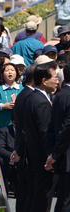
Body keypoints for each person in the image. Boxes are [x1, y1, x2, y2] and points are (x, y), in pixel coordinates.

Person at [17, 61, 58, 212]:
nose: (57, 80)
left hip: (31, 156)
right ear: (44, 80)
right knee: (43, 199)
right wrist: (51, 157)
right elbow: (45, 133)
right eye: (54, 77)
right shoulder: (41, 102)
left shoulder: (31, 97)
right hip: (41, 160)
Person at [45, 64, 70, 211]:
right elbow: (67, 128)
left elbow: (53, 128)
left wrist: (53, 153)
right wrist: (55, 153)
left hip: (61, 155)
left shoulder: (60, 95)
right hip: (65, 154)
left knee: (63, 198)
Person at [12, 65, 35, 212]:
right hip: (28, 149)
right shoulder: (29, 96)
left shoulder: (22, 94)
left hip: (22, 146)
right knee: (28, 191)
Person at [0, 63, 23, 128]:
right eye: (7, 70)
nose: (10, 72)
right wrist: (3, 106)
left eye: (12, 70)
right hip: (1, 126)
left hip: (20, 126)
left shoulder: (22, 88)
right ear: (2, 74)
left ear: (17, 73)